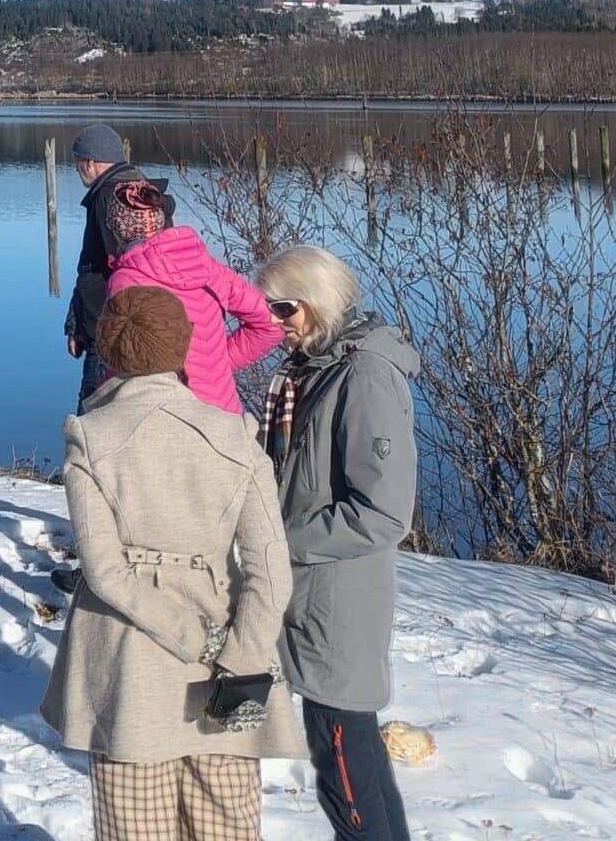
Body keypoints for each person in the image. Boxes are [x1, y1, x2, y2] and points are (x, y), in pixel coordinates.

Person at [42, 285, 306, 839]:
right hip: (230, 667)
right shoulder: (234, 434)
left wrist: (199, 641)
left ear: (109, 353)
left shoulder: (90, 436)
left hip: (128, 666)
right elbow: (270, 570)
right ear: (186, 348)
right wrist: (239, 654)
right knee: (226, 828)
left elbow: (106, 573)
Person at [256, 245, 419, 841]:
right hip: (312, 594)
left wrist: (279, 541)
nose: (271, 321)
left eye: (282, 308)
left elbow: (381, 513)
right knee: (358, 765)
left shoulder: (365, 377)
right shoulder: (312, 370)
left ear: (318, 303)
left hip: (339, 605)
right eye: (264, 307)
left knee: (345, 774)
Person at [103, 180, 283, 416]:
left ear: (116, 229)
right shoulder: (209, 266)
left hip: (165, 419)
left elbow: (123, 360)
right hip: (225, 418)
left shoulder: (126, 280)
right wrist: (214, 366)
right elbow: (271, 322)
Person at [66, 123, 150, 404]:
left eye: (78, 162)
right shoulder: (139, 190)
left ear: (89, 162)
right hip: (139, 328)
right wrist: (75, 323)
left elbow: (102, 267)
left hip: (110, 329)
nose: (77, 169)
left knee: (93, 414)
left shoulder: (108, 197)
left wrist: (84, 327)